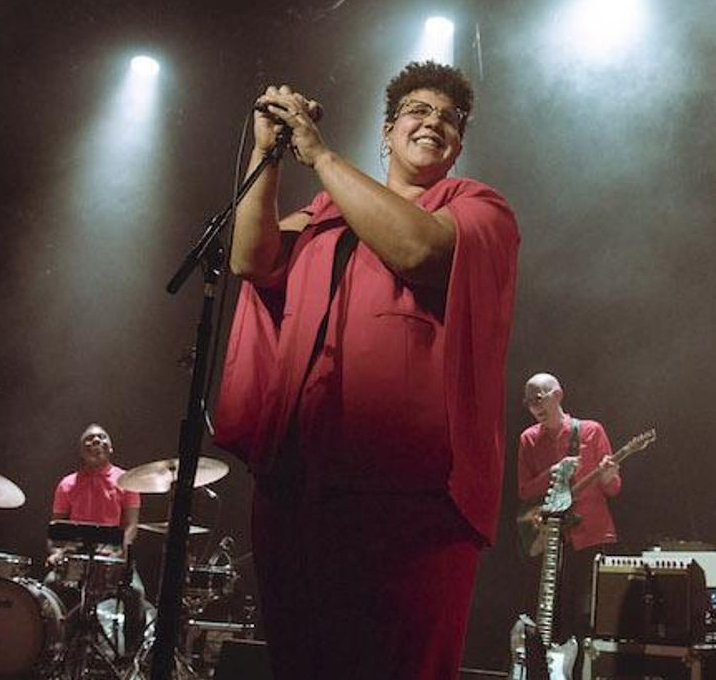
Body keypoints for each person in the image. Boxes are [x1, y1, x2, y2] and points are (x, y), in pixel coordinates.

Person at [214, 61, 519, 680]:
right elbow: (251, 259)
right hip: (298, 486)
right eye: (419, 111)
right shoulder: (326, 212)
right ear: (386, 131)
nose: (434, 122)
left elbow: (418, 249)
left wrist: (321, 153)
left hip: (408, 498)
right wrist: (266, 155)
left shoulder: (477, 206)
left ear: (458, 146)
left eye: (450, 119)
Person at [516, 373, 620, 641]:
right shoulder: (528, 439)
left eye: (539, 399)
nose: (535, 407)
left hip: (591, 536)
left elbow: (614, 489)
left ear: (557, 395)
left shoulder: (591, 431)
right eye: (529, 402)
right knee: (550, 616)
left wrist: (608, 477)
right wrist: (554, 471)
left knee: (588, 615)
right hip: (550, 539)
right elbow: (525, 490)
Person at [46, 424, 148, 657]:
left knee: (136, 594)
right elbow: (56, 529)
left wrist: (119, 550)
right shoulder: (67, 483)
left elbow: (132, 526)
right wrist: (54, 552)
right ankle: (53, 650)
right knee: (49, 588)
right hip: (77, 556)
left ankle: (130, 658)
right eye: (89, 440)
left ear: (110, 447)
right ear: (81, 452)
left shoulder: (127, 480)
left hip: (113, 554)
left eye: (101, 437)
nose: (96, 442)